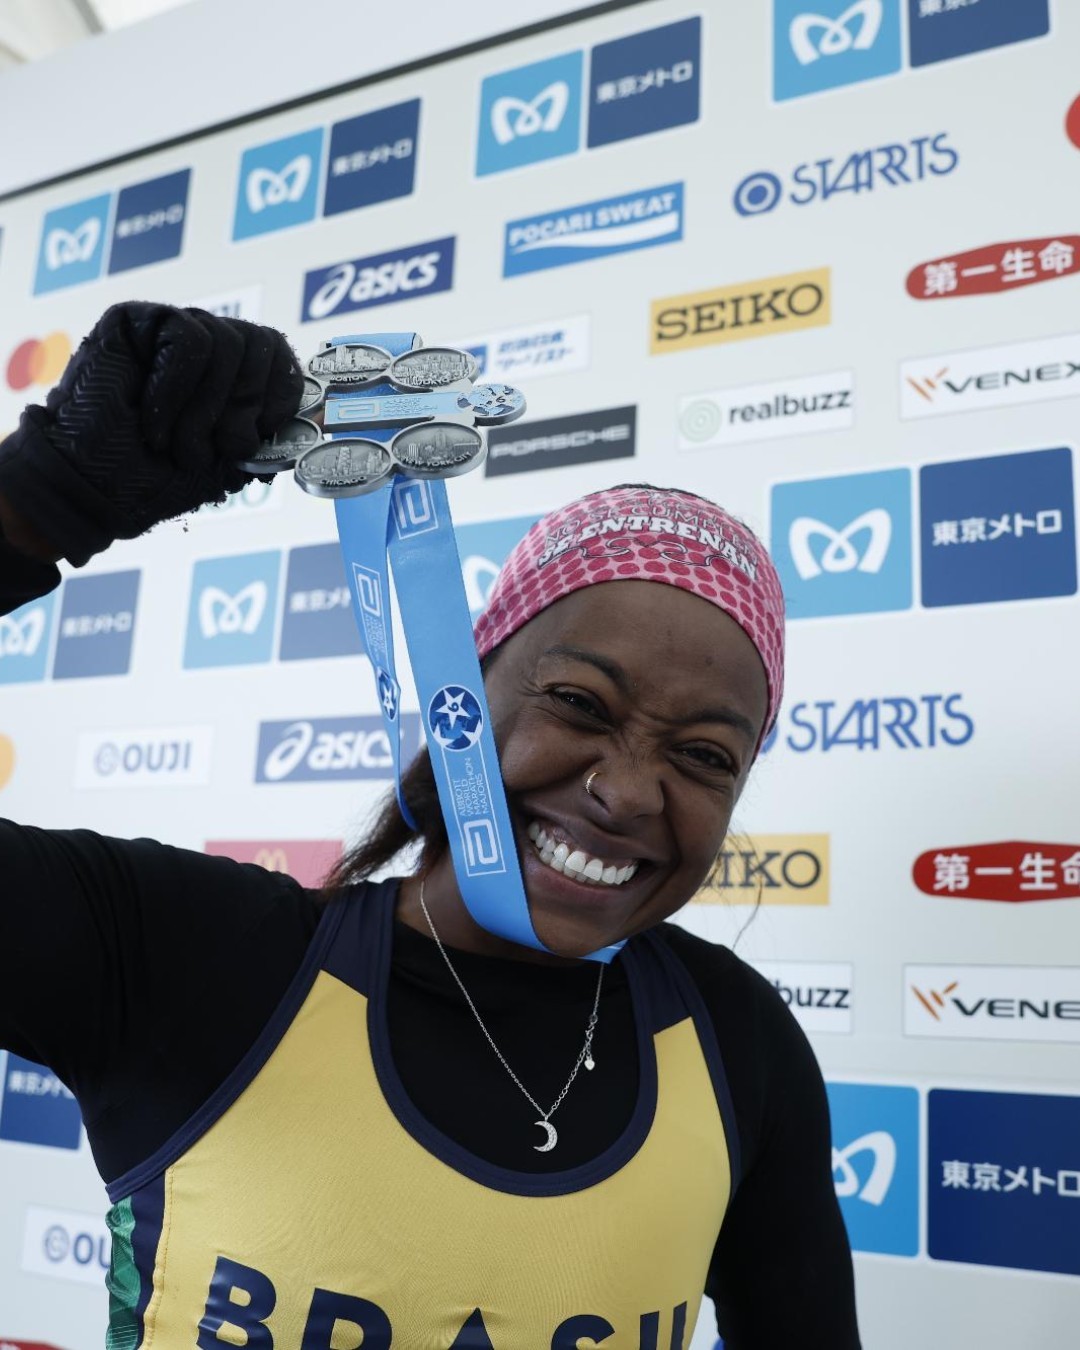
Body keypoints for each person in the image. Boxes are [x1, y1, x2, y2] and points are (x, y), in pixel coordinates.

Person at [0, 303, 861, 1349]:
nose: (631, 792)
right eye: (581, 703)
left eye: (705, 756)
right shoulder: (190, 956)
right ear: (467, 686)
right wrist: (34, 507)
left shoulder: (736, 1040)